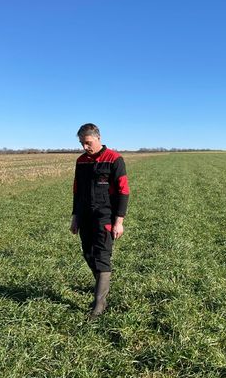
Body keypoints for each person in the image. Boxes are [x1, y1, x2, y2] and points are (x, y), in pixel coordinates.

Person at [70, 123, 129, 317]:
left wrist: (119, 221)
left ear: (98, 138)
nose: (84, 147)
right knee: (88, 254)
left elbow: (123, 191)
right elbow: (77, 191)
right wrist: (75, 217)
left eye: (87, 143)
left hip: (105, 216)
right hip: (85, 215)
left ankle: (99, 306)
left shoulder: (114, 159)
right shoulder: (81, 161)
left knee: (102, 257)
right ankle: (100, 285)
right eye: (81, 143)